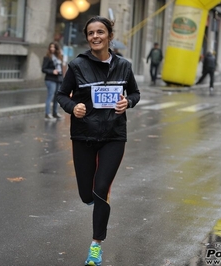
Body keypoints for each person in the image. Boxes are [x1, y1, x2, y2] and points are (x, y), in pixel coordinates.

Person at [57, 16, 140, 266]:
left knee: (101, 188)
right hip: (83, 134)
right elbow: (62, 95)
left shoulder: (124, 66)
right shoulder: (77, 66)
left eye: (100, 32)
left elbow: (135, 92)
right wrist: (73, 107)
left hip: (113, 136)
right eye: (91, 33)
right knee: (86, 194)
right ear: (87, 37)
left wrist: (129, 102)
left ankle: (96, 246)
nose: (95, 36)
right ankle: (94, 199)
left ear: (109, 35)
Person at [41, 42, 64, 120]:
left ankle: (55, 113)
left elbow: (61, 69)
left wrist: (63, 79)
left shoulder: (59, 57)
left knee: (57, 97)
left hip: (58, 79)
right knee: (50, 96)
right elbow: (43, 69)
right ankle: (47, 114)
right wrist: (52, 71)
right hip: (50, 79)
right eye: (51, 47)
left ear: (57, 48)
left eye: (54, 47)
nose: (52, 49)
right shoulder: (47, 57)